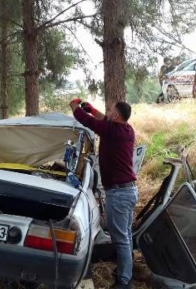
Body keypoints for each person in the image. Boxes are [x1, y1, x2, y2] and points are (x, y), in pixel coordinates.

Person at [69, 99, 138, 289]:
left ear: (116, 116)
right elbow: (103, 119)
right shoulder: (126, 129)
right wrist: (93, 109)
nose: (107, 112)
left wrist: (75, 107)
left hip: (119, 194)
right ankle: (127, 271)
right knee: (126, 235)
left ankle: (124, 281)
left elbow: (89, 122)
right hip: (128, 191)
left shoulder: (112, 131)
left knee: (121, 238)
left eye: (110, 110)